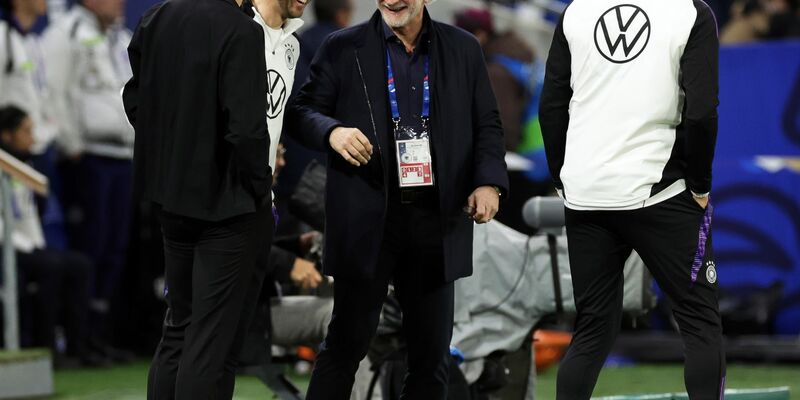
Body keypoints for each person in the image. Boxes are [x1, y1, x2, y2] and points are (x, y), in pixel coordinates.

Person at [286, 0, 509, 397]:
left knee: (431, 357)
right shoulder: (342, 47)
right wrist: (332, 132)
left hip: (435, 219)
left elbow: (487, 124)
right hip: (367, 219)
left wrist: (488, 182)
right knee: (345, 345)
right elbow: (302, 110)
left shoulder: (462, 48)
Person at [539, 0, 724, 399]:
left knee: (591, 329)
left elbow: (551, 106)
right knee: (699, 323)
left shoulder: (577, 11)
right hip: (660, 190)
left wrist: (562, 179)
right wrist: (700, 184)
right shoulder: (690, 12)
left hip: (585, 195)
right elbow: (702, 113)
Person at [121, 0, 272, 398]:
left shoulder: (157, 17)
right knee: (210, 341)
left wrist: (173, 146)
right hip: (228, 205)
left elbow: (134, 98)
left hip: (171, 200)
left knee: (179, 328)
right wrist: (261, 185)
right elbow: (246, 133)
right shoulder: (242, 31)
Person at [41, 0, 134, 346]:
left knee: (115, 247)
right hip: (88, 158)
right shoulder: (66, 34)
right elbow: (54, 90)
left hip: (122, 156)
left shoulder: (121, 38)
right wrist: (71, 143)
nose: (120, 3)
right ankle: (77, 334)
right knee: (90, 246)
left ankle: (100, 330)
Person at [0, 105, 97, 367]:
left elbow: (31, 213)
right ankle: (46, 348)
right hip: (7, 248)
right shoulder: (4, 165)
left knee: (80, 265)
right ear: (7, 135)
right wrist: (25, 247)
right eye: (26, 131)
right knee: (50, 266)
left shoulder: (26, 165)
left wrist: (37, 246)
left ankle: (79, 347)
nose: (32, 138)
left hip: (28, 245)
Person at [277, 0, 353, 201]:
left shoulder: (295, 42)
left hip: (288, 164)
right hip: (328, 166)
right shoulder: (348, 50)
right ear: (342, 15)